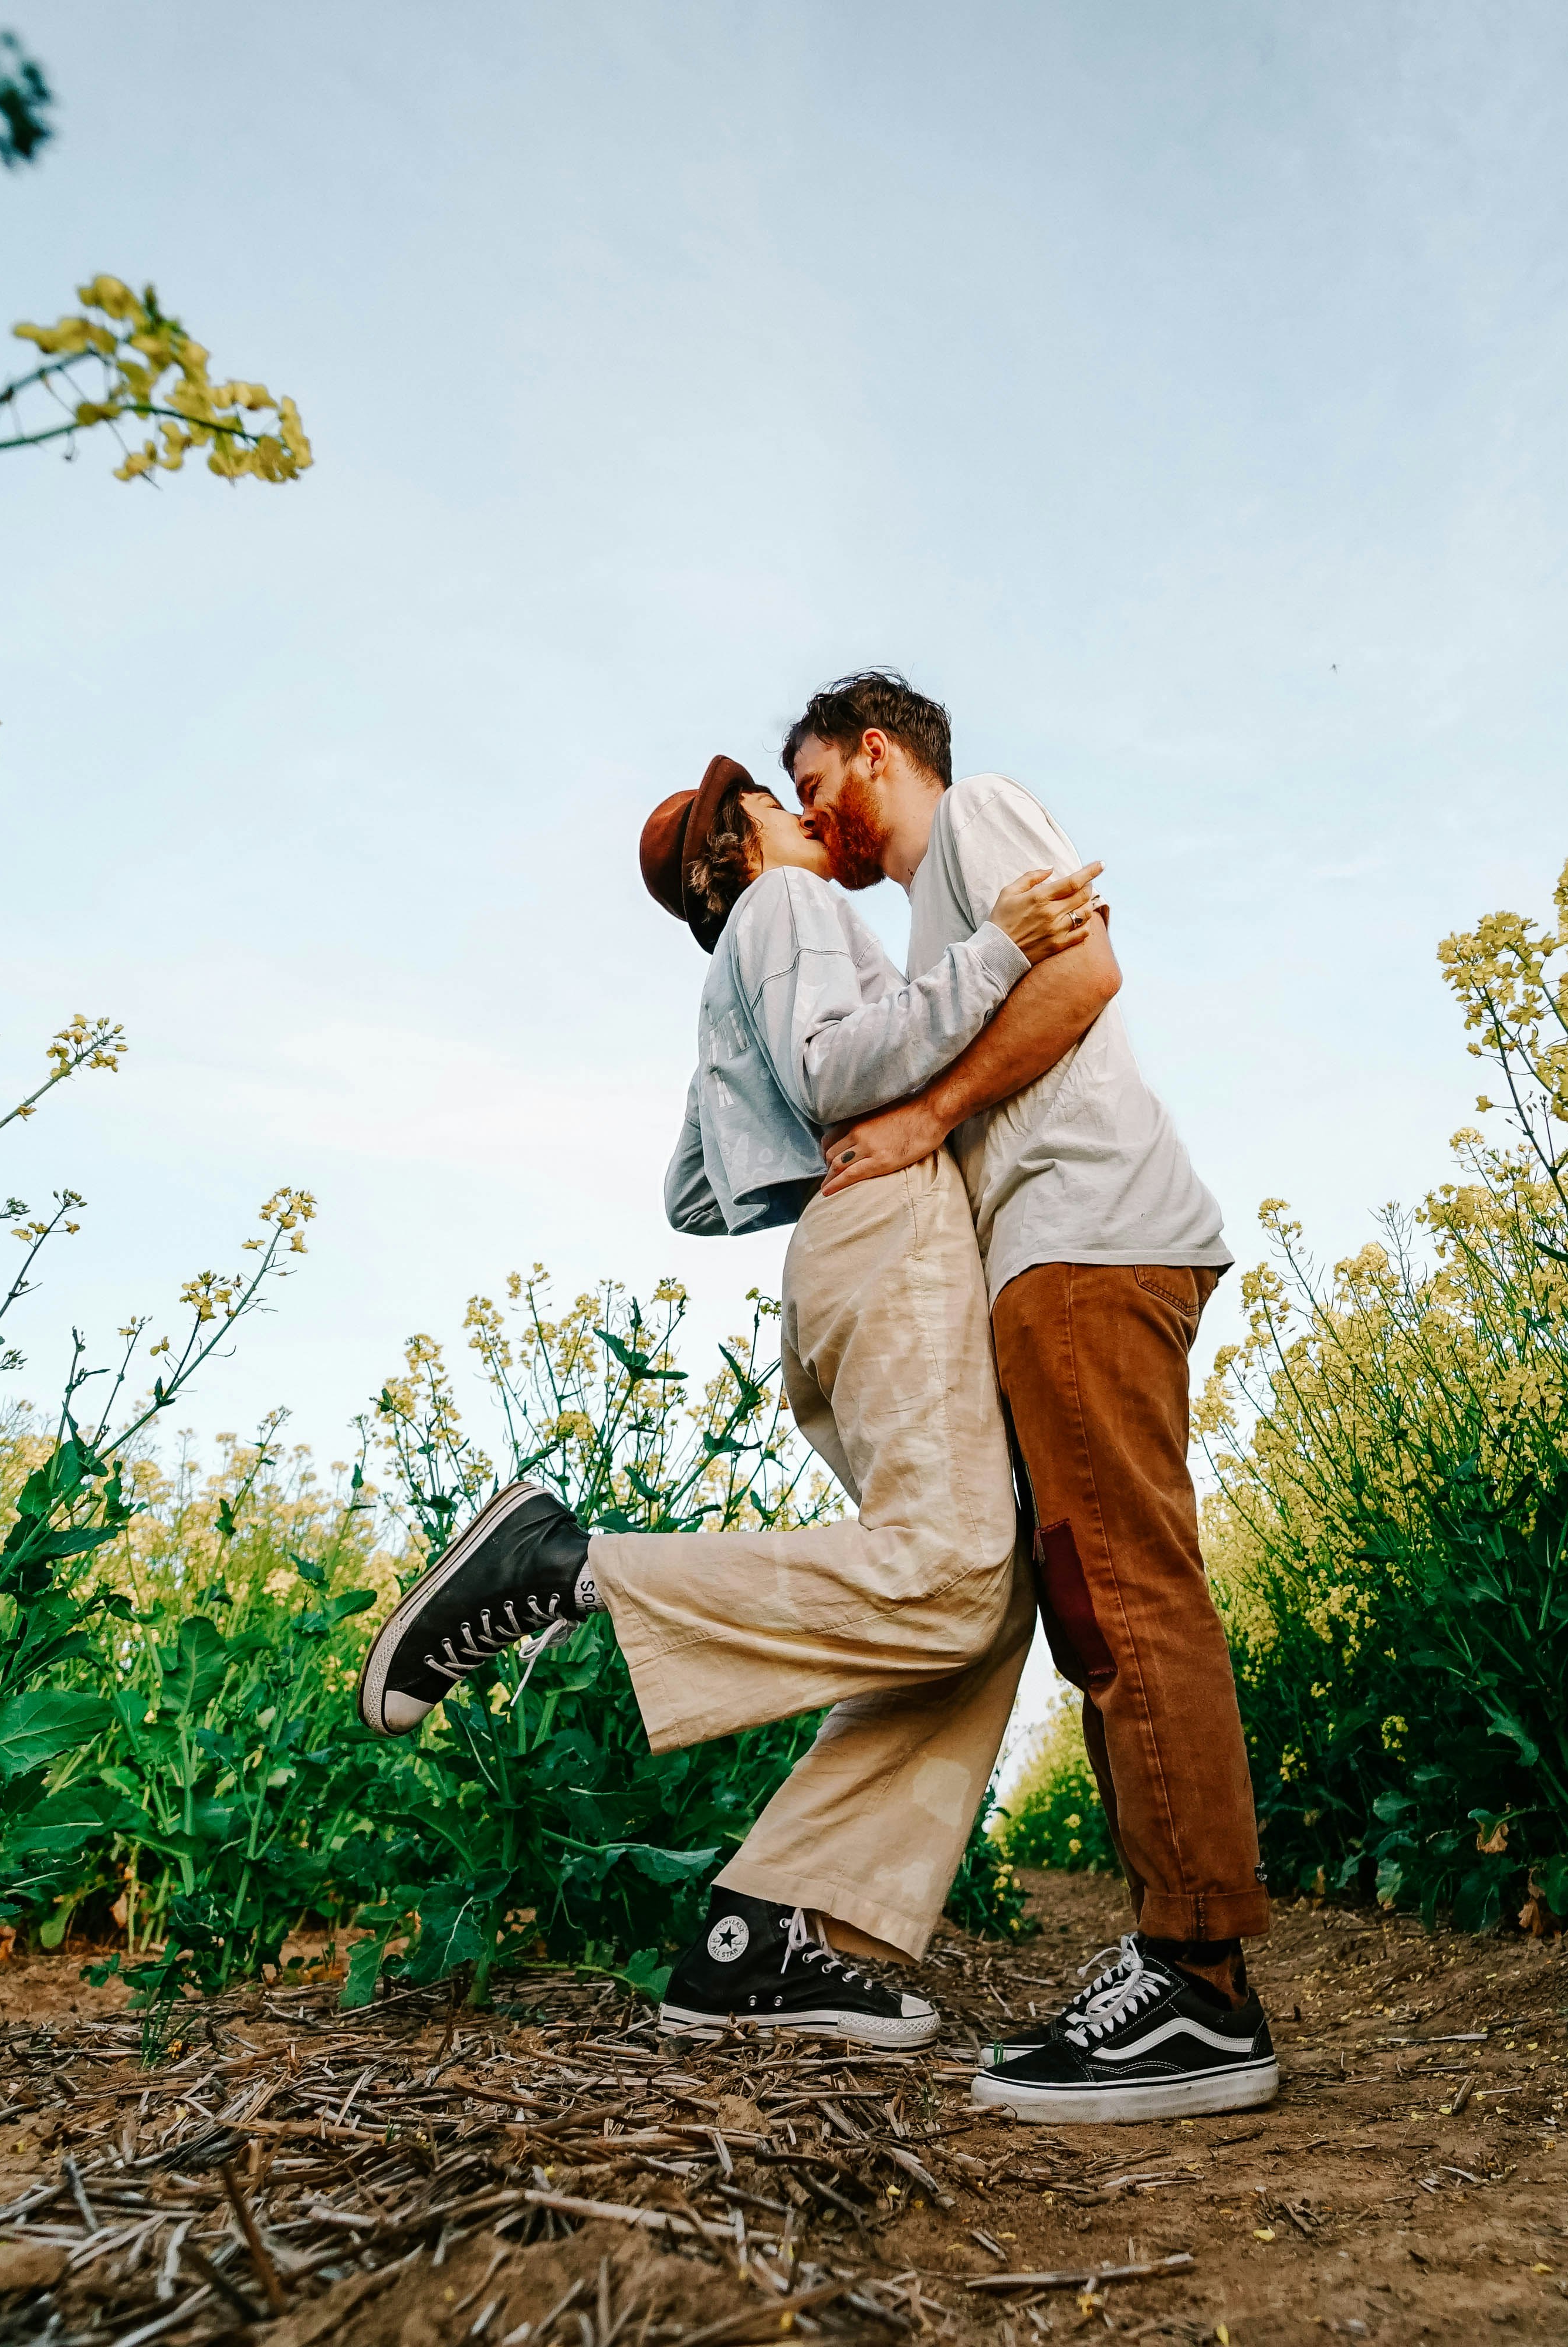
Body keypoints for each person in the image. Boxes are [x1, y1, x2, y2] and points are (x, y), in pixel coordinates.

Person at [357, 751, 1101, 2049]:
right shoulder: (795, 910)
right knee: (948, 1571)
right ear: (737, 850)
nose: (803, 811)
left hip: (836, 1256)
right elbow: (835, 1071)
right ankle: (560, 1568)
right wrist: (992, 953)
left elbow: (694, 1192)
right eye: (773, 801)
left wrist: (787, 1136)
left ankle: (774, 1925)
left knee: (972, 1613)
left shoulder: (739, 962)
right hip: (892, 1231)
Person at [788, 669, 1280, 2124]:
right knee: (1091, 1597)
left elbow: (1087, 975)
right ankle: (1182, 1957)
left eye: (819, 788)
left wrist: (931, 1112)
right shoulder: (940, 921)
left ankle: (1199, 1984)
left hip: (1086, 1236)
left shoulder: (976, 822)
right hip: (1051, 1254)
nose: (820, 826)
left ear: (877, 752)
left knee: (1123, 1590)